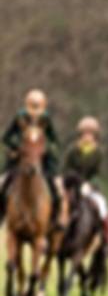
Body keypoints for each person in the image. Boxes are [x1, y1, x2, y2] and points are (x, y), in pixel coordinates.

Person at [0, 89, 62, 227]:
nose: (34, 110)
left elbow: (55, 141)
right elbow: (6, 138)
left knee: (57, 188)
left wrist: (46, 149)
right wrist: (16, 147)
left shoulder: (46, 119)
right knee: (2, 183)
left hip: (43, 161)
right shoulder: (19, 117)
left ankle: (55, 218)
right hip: (19, 159)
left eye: (37, 106)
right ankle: (2, 215)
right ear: (27, 104)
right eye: (32, 106)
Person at [63, 117, 108, 255]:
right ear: (80, 135)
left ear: (95, 136)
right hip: (73, 186)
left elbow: (99, 173)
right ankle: (50, 239)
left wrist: (90, 184)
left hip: (90, 188)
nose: (87, 137)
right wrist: (74, 181)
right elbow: (66, 169)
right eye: (85, 133)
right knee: (59, 205)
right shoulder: (72, 151)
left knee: (103, 207)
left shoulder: (98, 153)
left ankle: (107, 241)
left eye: (90, 134)